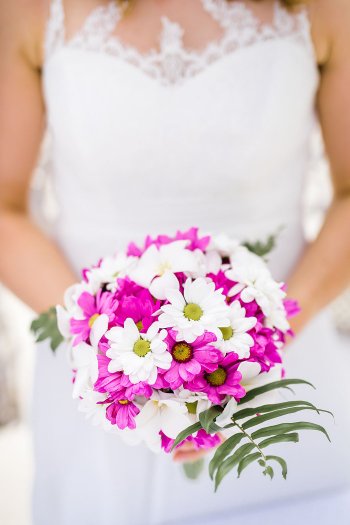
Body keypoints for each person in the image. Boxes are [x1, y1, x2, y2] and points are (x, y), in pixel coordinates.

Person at [0, 0, 350, 524]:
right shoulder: (27, 10)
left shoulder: (323, 9)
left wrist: (258, 346)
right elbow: (5, 209)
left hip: (279, 365)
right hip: (98, 377)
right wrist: (106, 349)